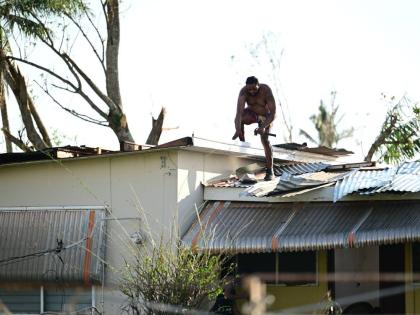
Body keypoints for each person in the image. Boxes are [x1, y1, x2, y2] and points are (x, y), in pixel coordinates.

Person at [232, 76, 277, 181]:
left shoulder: (266, 90)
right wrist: (238, 129)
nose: (252, 92)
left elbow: (273, 114)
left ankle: (270, 170)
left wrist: (263, 126)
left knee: (265, 140)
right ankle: (242, 145)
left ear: (259, 85)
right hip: (252, 114)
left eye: (254, 89)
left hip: (266, 117)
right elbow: (239, 113)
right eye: (249, 89)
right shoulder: (243, 92)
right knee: (239, 120)